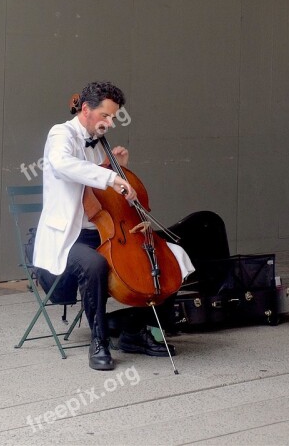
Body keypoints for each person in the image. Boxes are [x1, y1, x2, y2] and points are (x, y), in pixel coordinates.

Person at [32, 81, 194, 371]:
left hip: (104, 233)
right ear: (85, 109)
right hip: (68, 239)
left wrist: (116, 167)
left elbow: (103, 197)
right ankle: (99, 341)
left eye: (113, 117)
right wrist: (110, 177)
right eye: (105, 115)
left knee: (171, 259)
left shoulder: (97, 144)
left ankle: (133, 332)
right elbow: (63, 164)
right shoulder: (61, 134)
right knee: (94, 265)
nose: (109, 122)